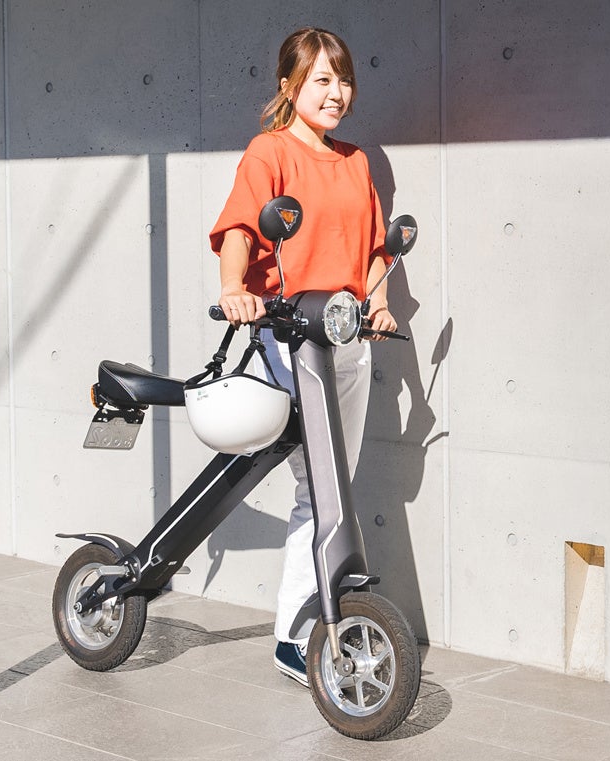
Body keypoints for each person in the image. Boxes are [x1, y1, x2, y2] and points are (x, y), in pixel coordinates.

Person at [208, 27, 396, 687]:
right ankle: (297, 636)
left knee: (332, 487)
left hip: (347, 337)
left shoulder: (355, 161)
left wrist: (379, 304)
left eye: (343, 80)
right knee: (317, 489)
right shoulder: (270, 152)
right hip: (291, 334)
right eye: (321, 79)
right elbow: (240, 226)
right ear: (289, 86)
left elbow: (374, 247)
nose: (336, 93)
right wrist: (233, 289)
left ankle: (318, 627)